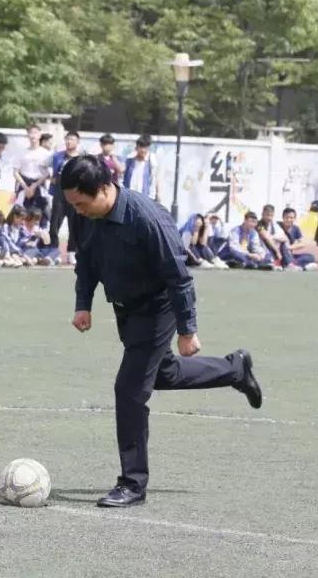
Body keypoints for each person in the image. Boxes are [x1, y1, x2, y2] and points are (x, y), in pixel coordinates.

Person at [62, 155, 261, 507]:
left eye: (81, 202)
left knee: (129, 390)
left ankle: (132, 483)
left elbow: (178, 276)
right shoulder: (88, 216)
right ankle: (235, 369)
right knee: (162, 374)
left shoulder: (147, 218)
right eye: (72, 204)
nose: (77, 211)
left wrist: (187, 329)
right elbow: (87, 262)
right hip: (126, 310)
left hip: (157, 308)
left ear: (104, 189)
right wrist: (83, 304)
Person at [49, 131, 83, 258]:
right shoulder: (57, 156)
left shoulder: (82, 158)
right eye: (67, 139)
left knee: (74, 224)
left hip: (75, 195)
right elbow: (44, 167)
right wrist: (51, 177)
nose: (69, 142)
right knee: (54, 223)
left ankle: (72, 252)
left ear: (77, 142)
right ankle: (53, 250)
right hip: (59, 193)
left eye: (72, 139)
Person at [14, 125, 52, 219]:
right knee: (21, 214)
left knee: (39, 214)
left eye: (35, 132)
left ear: (39, 135)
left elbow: (48, 173)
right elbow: (15, 171)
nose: (32, 135)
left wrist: (34, 186)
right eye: (30, 132)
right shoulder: (21, 152)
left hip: (39, 185)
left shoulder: (46, 153)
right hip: (24, 185)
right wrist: (26, 188)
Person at [123, 135, 159, 204]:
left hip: (144, 199)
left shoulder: (151, 163)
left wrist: (151, 198)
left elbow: (153, 181)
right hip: (129, 197)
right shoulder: (129, 161)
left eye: (145, 147)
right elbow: (122, 178)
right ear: (136, 148)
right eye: (141, 147)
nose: (143, 150)